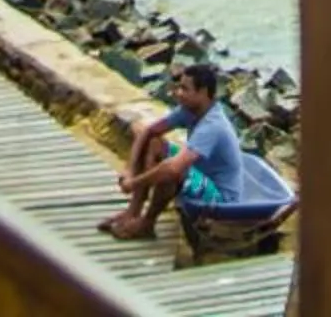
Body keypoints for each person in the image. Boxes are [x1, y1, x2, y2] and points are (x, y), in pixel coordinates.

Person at [102, 63, 247, 239]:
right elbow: (149, 131)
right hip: (200, 176)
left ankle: (147, 224)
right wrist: (130, 170)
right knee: (154, 142)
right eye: (179, 87)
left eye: (185, 89)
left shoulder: (213, 125)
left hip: (220, 197)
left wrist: (134, 183)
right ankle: (133, 212)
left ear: (202, 93)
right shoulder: (190, 111)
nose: (178, 93)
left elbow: (173, 169)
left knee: (174, 170)